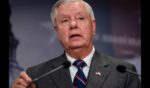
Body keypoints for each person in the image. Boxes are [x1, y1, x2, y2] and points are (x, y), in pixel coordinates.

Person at [12, 0, 140, 88]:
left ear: (93, 26)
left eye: (80, 18)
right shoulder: (36, 76)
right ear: (56, 31)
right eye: (65, 20)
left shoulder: (125, 73)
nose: (73, 25)